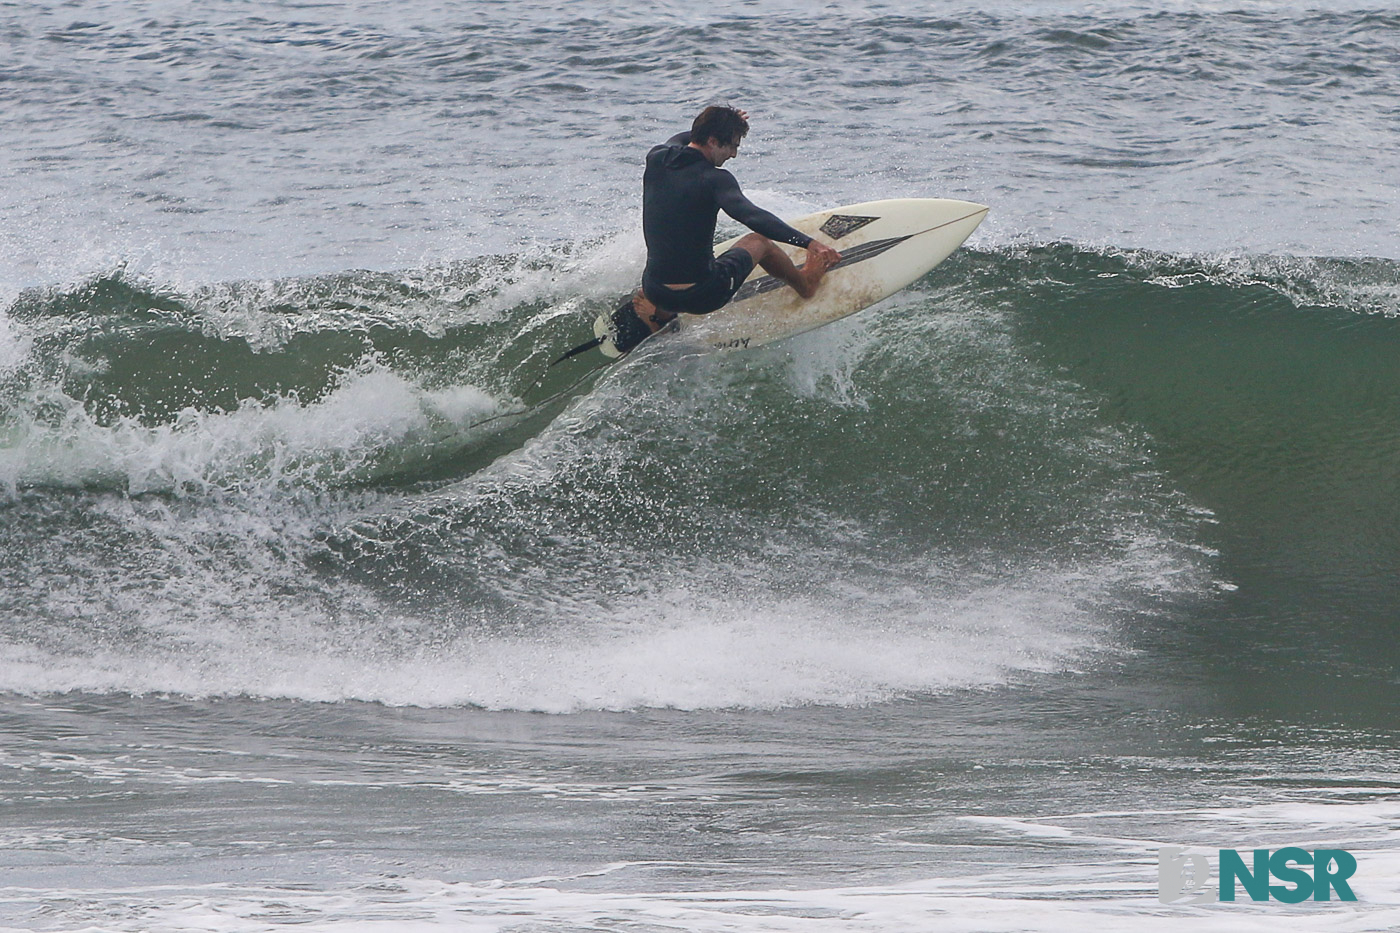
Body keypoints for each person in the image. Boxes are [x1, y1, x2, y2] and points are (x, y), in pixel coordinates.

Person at [610, 105, 842, 353]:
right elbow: (752, 215)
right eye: (731, 145)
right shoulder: (715, 179)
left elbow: (685, 137)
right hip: (705, 295)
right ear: (712, 141)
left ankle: (662, 315)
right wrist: (809, 243)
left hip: (655, 290)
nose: (733, 154)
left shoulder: (657, 158)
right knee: (759, 241)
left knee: (670, 253)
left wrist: (724, 124)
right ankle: (806, 284)